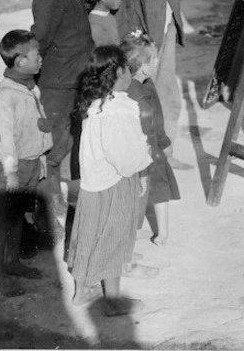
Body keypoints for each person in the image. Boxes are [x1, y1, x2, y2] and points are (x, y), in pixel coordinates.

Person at [65, 45, 152, 316]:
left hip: (93, 185)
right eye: (127, 68)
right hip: (114, 185)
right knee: (113, 240)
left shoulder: (97, 105)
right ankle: (113, 302)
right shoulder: (118, 111)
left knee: (89, 236)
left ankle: (81, 292)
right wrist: (141, 164)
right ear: (120, 72)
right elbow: (125, 157)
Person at [30, 0, 93, 234]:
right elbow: (38, 38)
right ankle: (46, 213)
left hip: (73, 81)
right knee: (53, 152)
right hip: (58, 84)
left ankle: (58, 205)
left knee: (67, 144)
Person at [0, 30, 54, 297]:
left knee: (17, 219)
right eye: (37, 55)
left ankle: (13, 262)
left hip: (30, 166)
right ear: (21, 61)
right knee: (4, 220)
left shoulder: (28, 89)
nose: (41, 59)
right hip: (11, 169)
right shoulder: (5, 96)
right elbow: (3, 138)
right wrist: (11, 173)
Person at [130, 0, 186, 154]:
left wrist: (172, 28)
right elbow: (133, 5)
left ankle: (167, 152)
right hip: (146, 40)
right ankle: (144, 155)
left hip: (168, 32)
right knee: (143, 95)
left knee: (169, 92)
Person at [121, 33, 181, 246]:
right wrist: (163, 142)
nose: (157, 62)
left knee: (141, 190)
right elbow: (155, 121)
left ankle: (140, 231)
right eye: (153, 59)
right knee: (157, 189)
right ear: (145, 67)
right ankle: (161, 233)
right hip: (150, 148)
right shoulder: (146, 89)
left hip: (137, 148)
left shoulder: (127, 87)